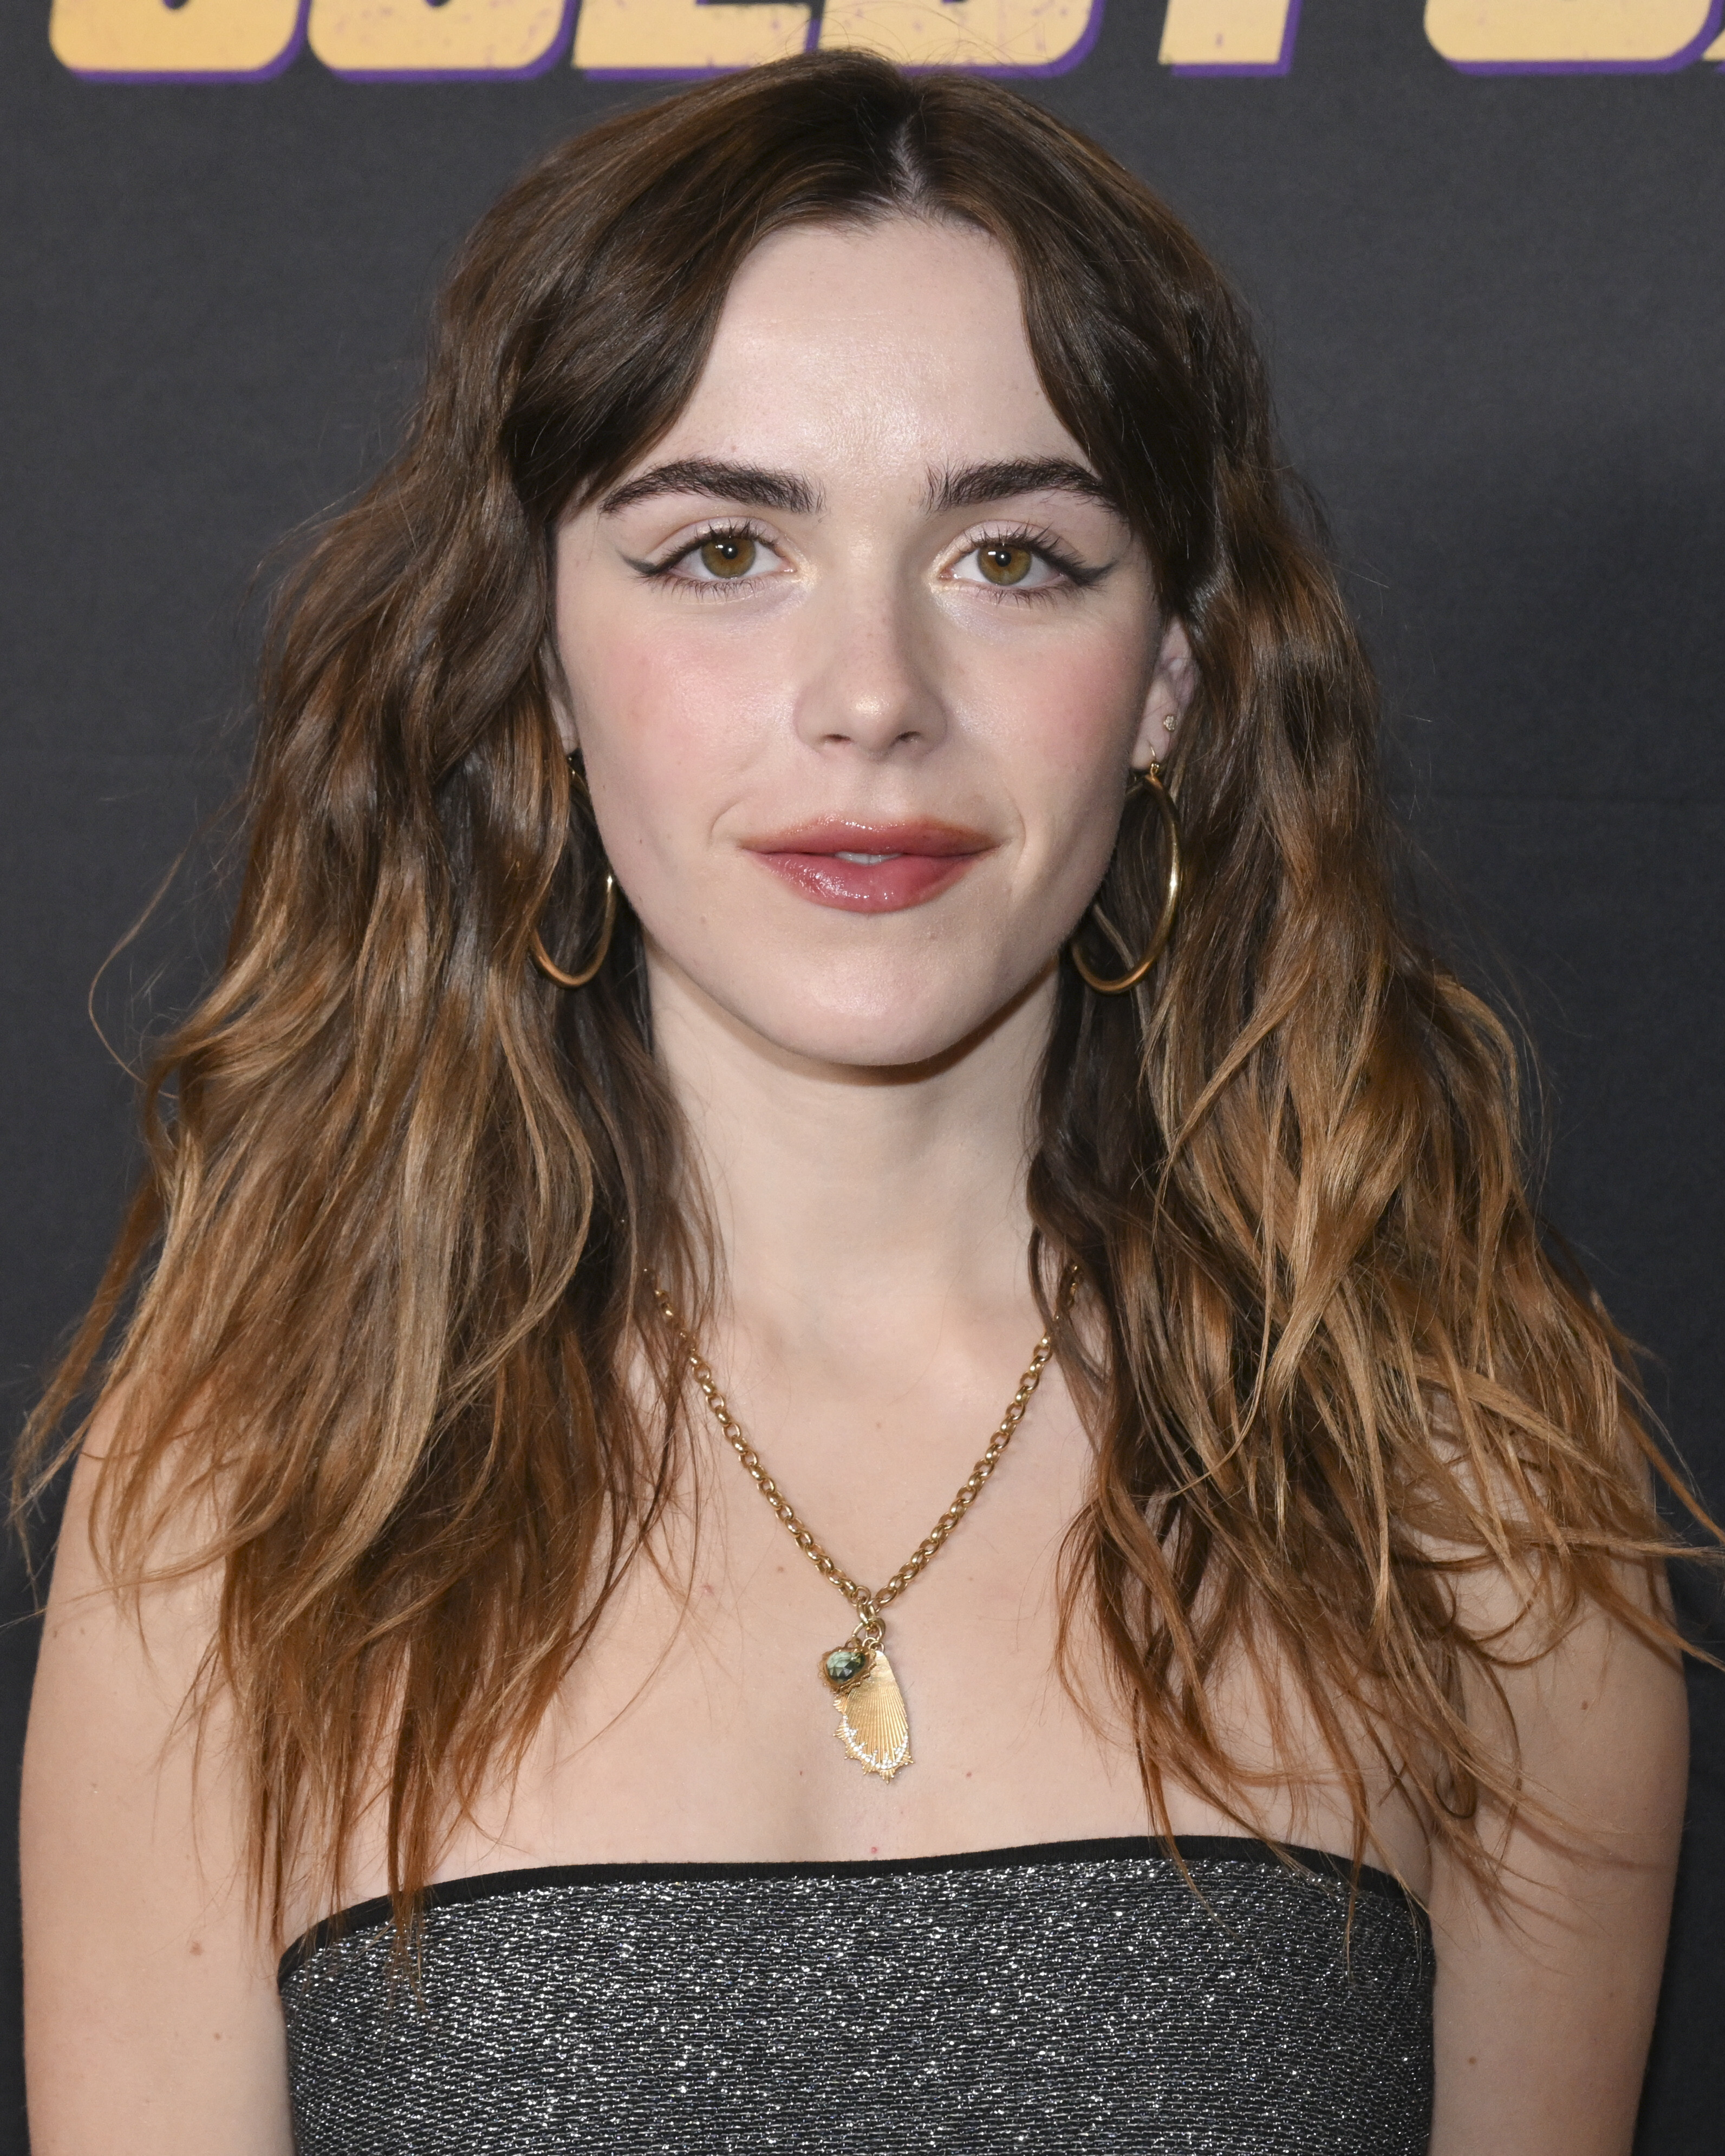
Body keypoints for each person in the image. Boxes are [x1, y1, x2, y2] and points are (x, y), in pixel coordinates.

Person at [17, 51, 1694, 2156]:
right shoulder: (252, 1497)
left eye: (1015, 557)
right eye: (724, 548)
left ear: (1171, 678)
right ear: (540, 662)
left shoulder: (1465, 1503)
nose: (874, 698)